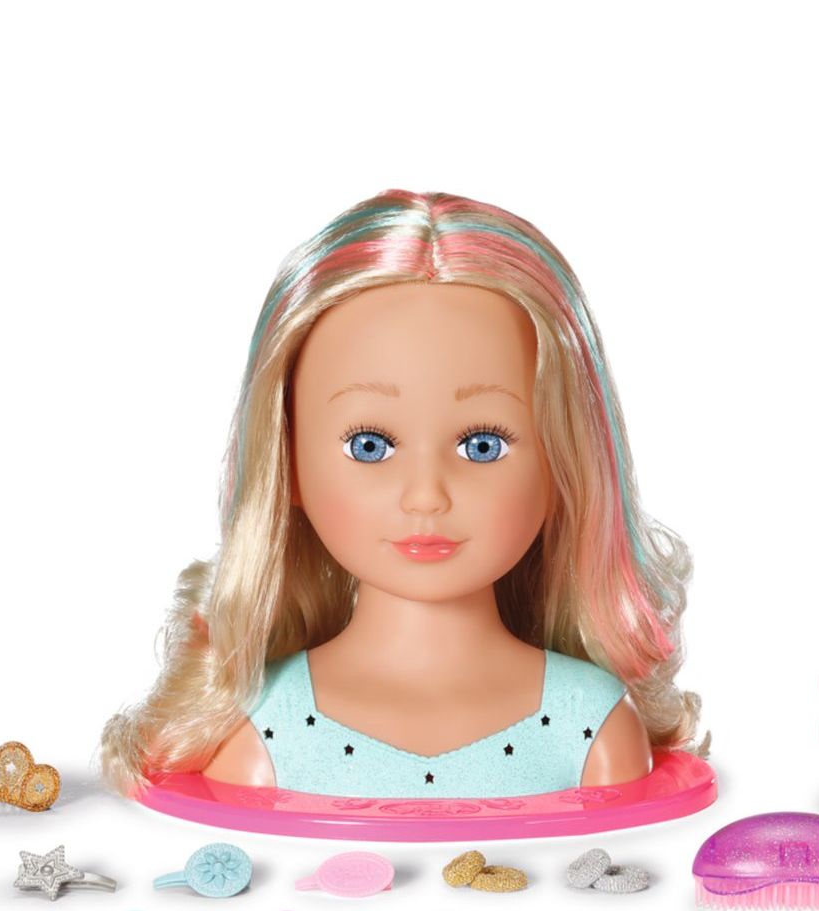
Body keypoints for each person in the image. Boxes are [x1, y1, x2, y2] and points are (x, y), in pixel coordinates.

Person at [101, 189, 701, 800]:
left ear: (564, 464)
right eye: (370, 446)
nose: (425, 496)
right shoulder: (259, 732)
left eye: (483, 445)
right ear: (287, 463)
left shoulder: (592, 730)